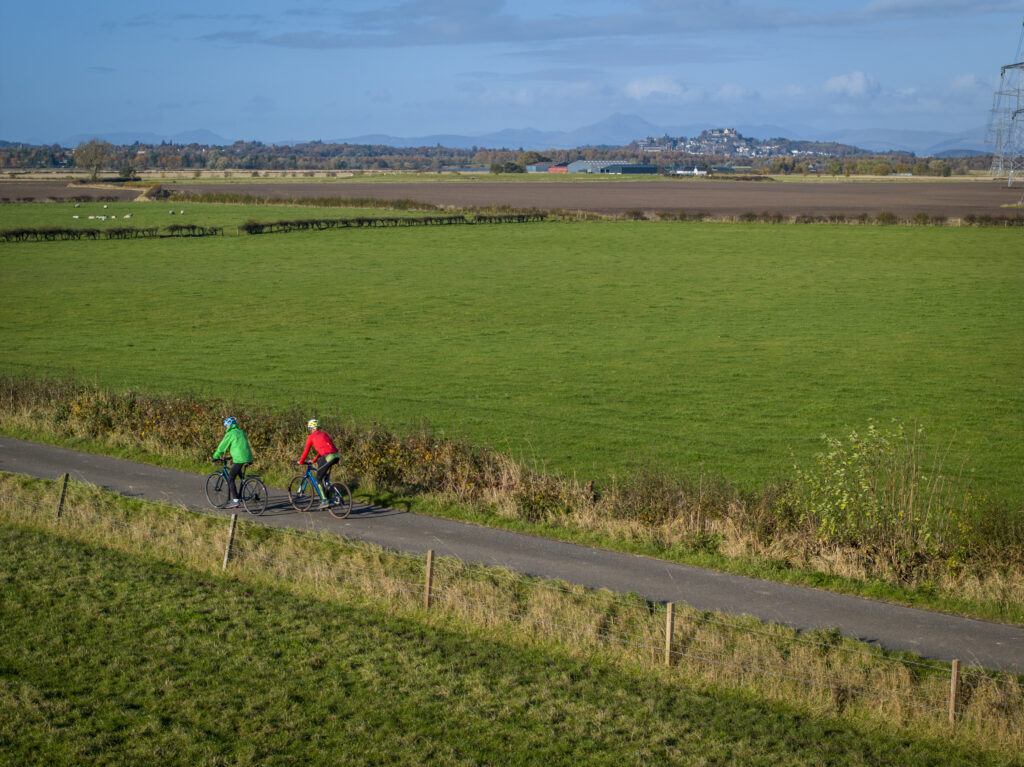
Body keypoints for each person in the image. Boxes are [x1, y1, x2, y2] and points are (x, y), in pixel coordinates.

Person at [212, 416, 253, 509]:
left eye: (226, 426)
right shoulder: (242, 432)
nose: (225, 428)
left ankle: (235, 501)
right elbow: (240, 446)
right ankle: (241, 491)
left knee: (231, 478)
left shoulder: (230, 434)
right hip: (248, 457)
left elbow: (222, 447)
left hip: (239, 459)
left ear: (229, 425)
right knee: (234, 467)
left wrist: (215, 456)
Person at [297, 419, 340, 506]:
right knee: (323, 475)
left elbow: (306, 451)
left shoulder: (311, 437)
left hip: (328, 457)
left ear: (312, 428)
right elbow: (324, 449)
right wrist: (314, 460)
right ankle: (329, 493)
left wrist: (301, 462)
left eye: (310, 428)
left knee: (318, 479)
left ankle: (324, 500)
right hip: (336, 456)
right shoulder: (324, 434)